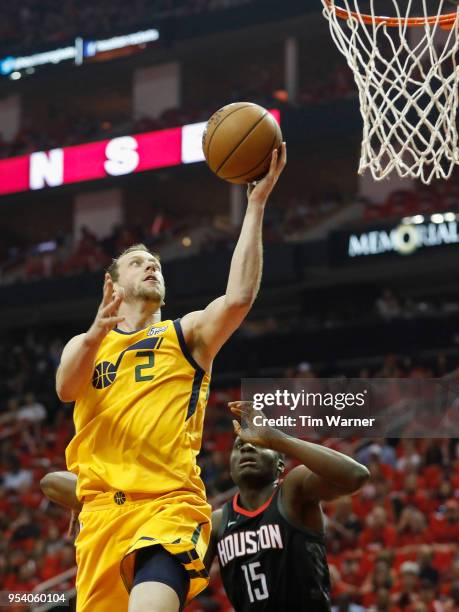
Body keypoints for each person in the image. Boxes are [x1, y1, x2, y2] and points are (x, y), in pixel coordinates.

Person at [53, 145, 286, 612]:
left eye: (155, 262)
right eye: (139, 262)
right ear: (113, 287)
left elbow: (238, 298)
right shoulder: (86, 345)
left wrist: (255, 205)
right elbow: (66, 388)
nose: (152, 264)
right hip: (102, 517)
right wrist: (97, 331)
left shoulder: (186, 334)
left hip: (168, 505)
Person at [43, 399, 369, 611]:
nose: (248, 450)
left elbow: (355, 475)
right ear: (229, 464)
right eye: (240, 447)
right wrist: (91, 498)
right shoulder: (215, 523)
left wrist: (277, 437)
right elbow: (51, 483)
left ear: (280, 464)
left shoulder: (293, 491)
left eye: (259, 446)